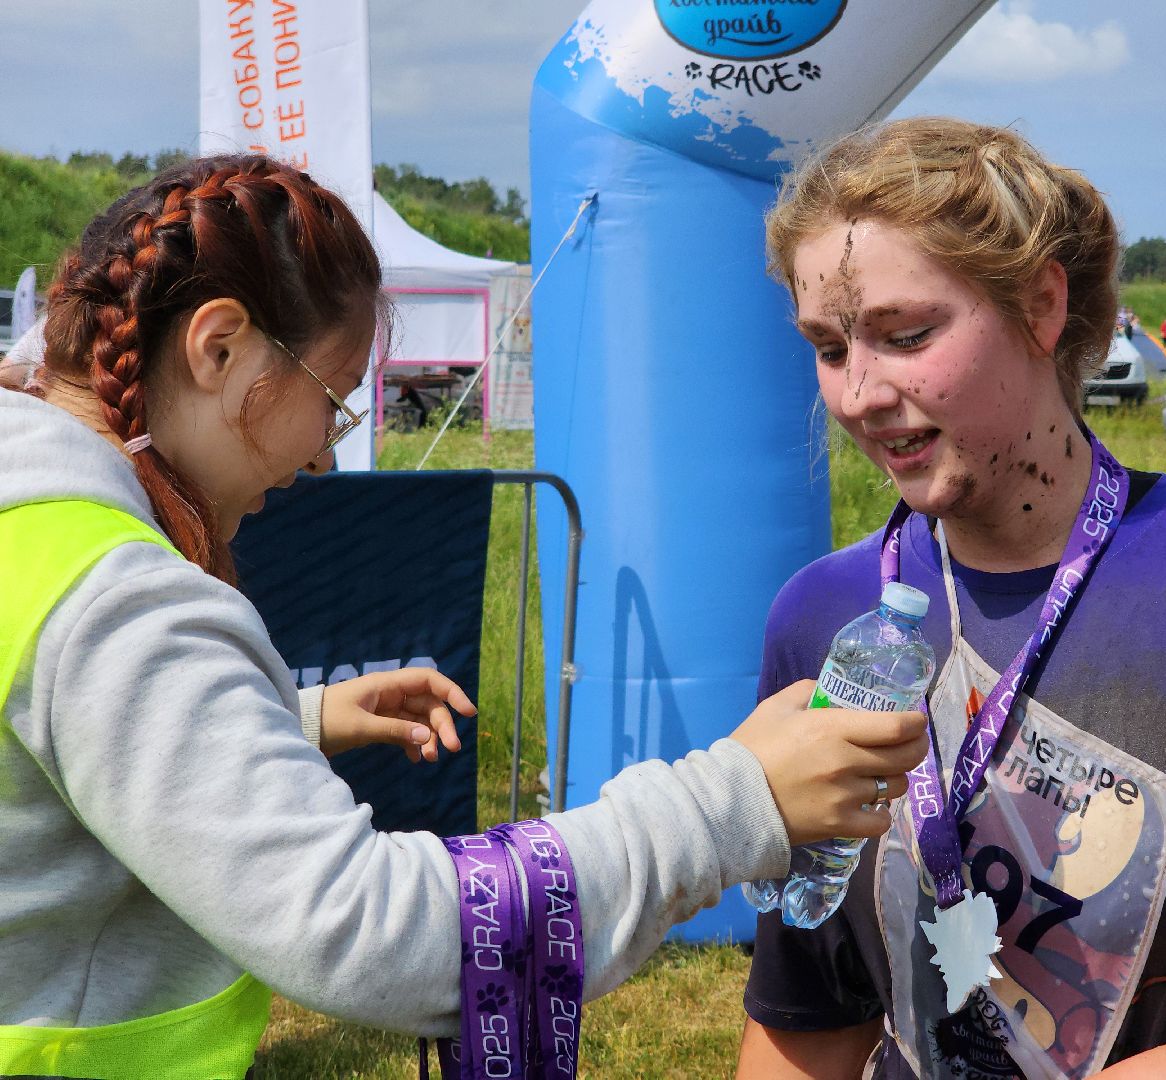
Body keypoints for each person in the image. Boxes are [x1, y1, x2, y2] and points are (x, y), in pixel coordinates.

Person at [0, 154, 931, 1075]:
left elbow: (63, 746)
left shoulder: (31, 522)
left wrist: (287, 721)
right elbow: (368, 929)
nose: (322, 459)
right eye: (333, 405)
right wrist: (733, 803)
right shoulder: (119, 601)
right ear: (218, 347)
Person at [736, 118, 1166, 1079]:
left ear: (1040, 305)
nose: (857, 393)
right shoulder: (826, 620)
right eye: (827, 345)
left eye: (906, 336)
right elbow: (809, 1008)